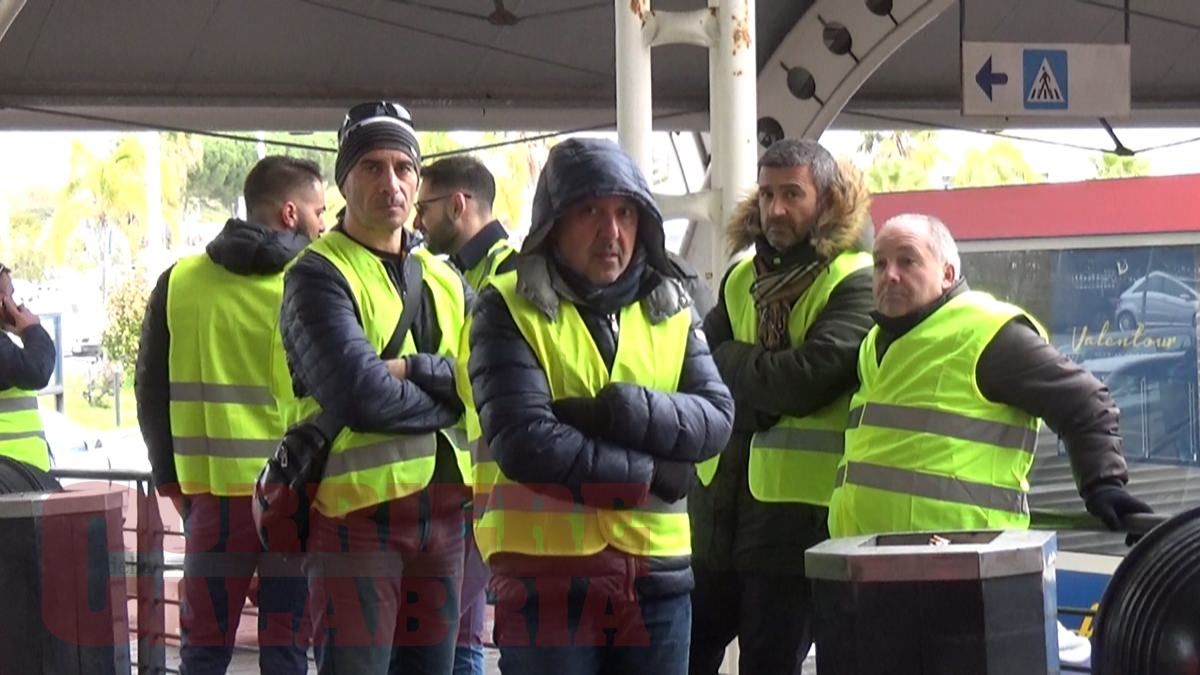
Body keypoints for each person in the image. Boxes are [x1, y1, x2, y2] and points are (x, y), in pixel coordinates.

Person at [467, 137, 734, 675]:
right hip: (548, 583)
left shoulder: (672, 302)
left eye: (625, 213)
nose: (611, 233)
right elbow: (527, 442)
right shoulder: (505, 306)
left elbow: (717, 418)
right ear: (553, 224)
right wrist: (654, 470)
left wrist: (619, 411)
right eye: (589, 211)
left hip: (659, 581)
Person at [276, 101, 472, 674]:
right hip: (357, 519)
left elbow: (490, 381)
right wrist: (451, 386)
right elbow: (361, 397)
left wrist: (414, 371)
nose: (392, 183)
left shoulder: (444, 275)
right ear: (344, 179)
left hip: (445, 517)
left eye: (403, 167)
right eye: (371, 167)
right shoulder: (316, 274)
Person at [827, 213, 1153, 538]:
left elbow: (1084, 400)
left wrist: (1103, 486)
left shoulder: (987, 331)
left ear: (947, 274)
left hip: (960, 564)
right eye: (880, 264)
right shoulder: (875, 342)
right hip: (871, 560)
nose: (890, 276)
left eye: (907, 262)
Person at [689, 138, 875, 675]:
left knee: (770, 666)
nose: (775, 209)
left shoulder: (855, 278)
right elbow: (696, 366)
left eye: (792, 194)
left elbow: (802, 383)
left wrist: (733, 368)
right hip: (716, 515)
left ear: (827, 199)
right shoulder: (741, 277)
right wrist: (756, 394)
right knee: (681, 657)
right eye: (767, 194)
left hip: (796, 527)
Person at [135, 155, 326, 674]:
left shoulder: (179, 283)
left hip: (211, 504)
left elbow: (150, 394)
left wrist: (174, 486)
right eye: (318, 210)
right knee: (287, 647)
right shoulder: (317, 282)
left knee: (203, 650)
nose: (324, 223)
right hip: (296, 499)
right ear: (290, 213)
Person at [414, 154, 512, 675]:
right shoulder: (458, 275)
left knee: (459, 638)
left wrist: (413, 370)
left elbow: (483, 372)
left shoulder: (509, 274)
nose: (415, 222)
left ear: (458, 205)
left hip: (504, 493)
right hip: (471, 491)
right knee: (459, 635)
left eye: (424, 208)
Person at [0, 263, 55, 471]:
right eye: (10, 295)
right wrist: (32, 331)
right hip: (13, 480)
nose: (15, 304)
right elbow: (36, 371)